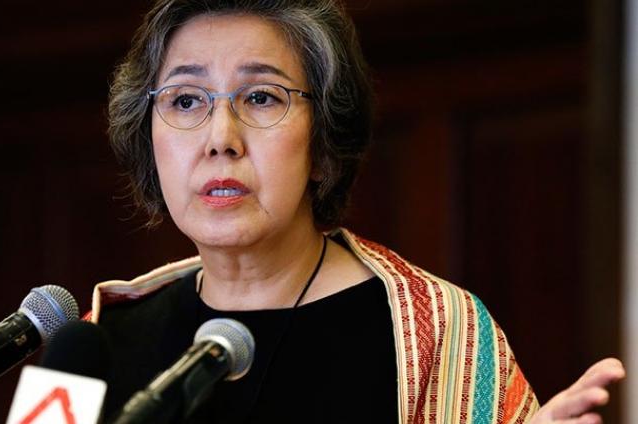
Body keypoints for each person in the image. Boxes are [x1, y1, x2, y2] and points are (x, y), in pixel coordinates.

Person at [85, 0, 626, 422]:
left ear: (322, 146)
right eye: (186, 100)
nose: (220, 138)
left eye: (261, 98)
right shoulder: (90, 341)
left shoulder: (438, 334)